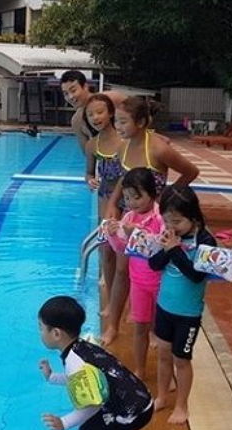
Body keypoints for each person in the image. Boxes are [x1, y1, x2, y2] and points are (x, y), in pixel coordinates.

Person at [101, 97, 200, 346]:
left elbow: (191, 172)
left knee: (156, 273)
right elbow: (125, 180)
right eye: (116, 122)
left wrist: (169, 199)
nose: (118, 127)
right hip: (131, 218)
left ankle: (155, 327)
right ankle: (113, 325)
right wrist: (113, 204)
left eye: (123, 121)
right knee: (123, 271)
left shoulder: (158, 148)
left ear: (142, 122)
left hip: (155, 221)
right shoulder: (123, 147)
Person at [38, 295, 153, 430]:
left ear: (56, 333)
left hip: (133, 412)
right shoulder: (82, 347)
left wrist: (64, 422)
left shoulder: (75, 362)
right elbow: (83, 382)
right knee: (105, 422)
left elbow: (92, 404)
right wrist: (53, 377)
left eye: (41, 327)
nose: (40, 332)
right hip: (141, 401)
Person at [148, 186, 216, 424]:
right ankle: (162, 396)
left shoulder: (205, 241)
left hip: (188, 315)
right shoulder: (168, 235)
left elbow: (197, 275)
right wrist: (168, 248)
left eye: (176, 221)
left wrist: (175, 250)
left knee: (181, 360)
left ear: (193, 217)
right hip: (164, 307)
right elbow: (154, 264)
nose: (170, 226)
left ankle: (182, 406)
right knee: (164, 356)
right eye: (166, 220)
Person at [105, 168, 163, 379]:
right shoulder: (129, 216)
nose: (132, 202)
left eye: (137, 197)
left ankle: (167, 374)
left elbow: (160, 247)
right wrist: (113, 236)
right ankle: (139, 369)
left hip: (160, 282)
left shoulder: (159, 216)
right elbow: (122, 249)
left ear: (152, 193)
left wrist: (137, 234)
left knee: (163, 331)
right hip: (138, 283)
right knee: (140, 327)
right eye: (127, 197)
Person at [84, 94, 125, 306]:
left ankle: (126, 300)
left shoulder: (125, 139)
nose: (95, 117)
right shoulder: (92, 145)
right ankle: (110, 300)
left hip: (128, 203)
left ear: (110, 113)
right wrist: (90, 180)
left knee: (125, 257)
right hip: (105, 201)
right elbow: (89, 173)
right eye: (90, 114)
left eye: (100, 112)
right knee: (106, 253)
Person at [60, 71, 126, 154]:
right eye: (66, 94)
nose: (70, 97)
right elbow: (88, 154)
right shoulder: (77, 121)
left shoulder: (113, 98)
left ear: (85, 86)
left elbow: (140, 117)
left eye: (73, 90)